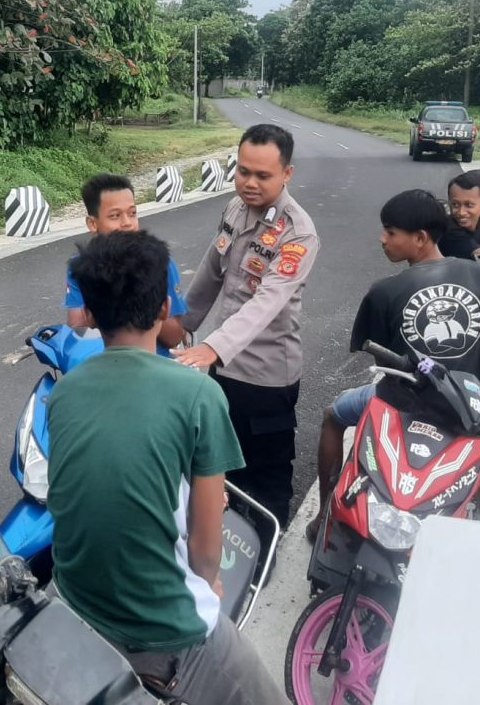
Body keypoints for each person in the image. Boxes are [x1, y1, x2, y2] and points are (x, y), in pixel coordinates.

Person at [46, 230, 287, 705]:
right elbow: (204, 550)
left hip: (72, 600)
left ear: (90, 313)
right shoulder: (198, 393)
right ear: (163, 308)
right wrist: (210, 581)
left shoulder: (65, 390)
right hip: (163, 631)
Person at [310, 190, 480, 540]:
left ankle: (325, 515)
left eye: (390, 231)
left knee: (333, 416)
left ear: (420, 238)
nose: (382, 239)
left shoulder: (385, 290)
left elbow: (381, 360)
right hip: (470, 413)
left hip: (400, 407)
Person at [176, 124, 319, 527]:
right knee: (222, 466)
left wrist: (212, 347)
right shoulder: (235, 209)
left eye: (263, 175)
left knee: (267, 476)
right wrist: (180, 324)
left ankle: (266, 561)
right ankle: (225, 551)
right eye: (243, 172)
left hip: (267, 379)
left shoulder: (298, 232)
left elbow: (267, 301)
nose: (249, 183)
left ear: (287, 174)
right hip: (224, 370)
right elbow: (210, 272)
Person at [64, 174, 187, 353]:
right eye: (115, 216)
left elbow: (175, 336)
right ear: (92, 223)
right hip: (102, 368)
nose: (127, 223)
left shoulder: (161, 263)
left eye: (132, 213)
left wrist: (145, 301)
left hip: (155, 370)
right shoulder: (83, 266)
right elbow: (77, 327)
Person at [439, 170, 480, 259]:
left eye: (469, 205)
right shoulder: (450, 229)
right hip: (457, 271)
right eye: (455, 205)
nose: (461, 212)